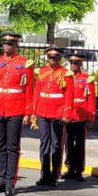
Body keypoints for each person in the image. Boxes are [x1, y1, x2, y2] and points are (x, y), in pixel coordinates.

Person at [0, 34, 33, 196]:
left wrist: (28, 112)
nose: (8, 46)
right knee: (0, 146)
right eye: (5, 43)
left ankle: (10, 182)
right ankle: (0, 180)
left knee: (12, 147)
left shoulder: (24, 63)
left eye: (11, 43)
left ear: (16, 45)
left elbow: (29, 89)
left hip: (16, 108)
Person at [29, 47, 70, 187]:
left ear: (60, 58)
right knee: (44, 144)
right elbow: (37, 92)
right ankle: (44, 175)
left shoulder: (66, 73)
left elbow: (69, 96)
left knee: (56, 145)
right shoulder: (41, 71)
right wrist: (33, 112)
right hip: (42, 112)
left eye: (56, 57)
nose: (53, 59)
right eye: (50, 57)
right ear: (47, 57)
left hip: (57, 112)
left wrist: (66, 114)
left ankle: (54, 176)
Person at [63, 52, 97, 180]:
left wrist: (91, 117)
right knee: (68, 143)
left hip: (81, 116)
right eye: (71, 62)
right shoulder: (65, 77)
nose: (73, 65)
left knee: (80, 145)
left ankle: (78, 170)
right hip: (68, 115)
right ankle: (70, 168)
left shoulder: (87, 79)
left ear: (81, 64)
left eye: (76, 62)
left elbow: (91, 99)